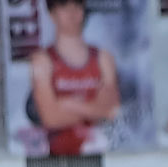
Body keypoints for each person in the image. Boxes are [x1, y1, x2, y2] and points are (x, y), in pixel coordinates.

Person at [30, 0, 118, 157]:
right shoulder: (42, 61)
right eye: (64, 6)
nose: (72, 13)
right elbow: (50, 118)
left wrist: (69, 104)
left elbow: (111, 111)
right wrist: (92, 109)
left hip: (100, 153)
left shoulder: (103, 58)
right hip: (56, 156)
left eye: (77, 6)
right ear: (52, 13)